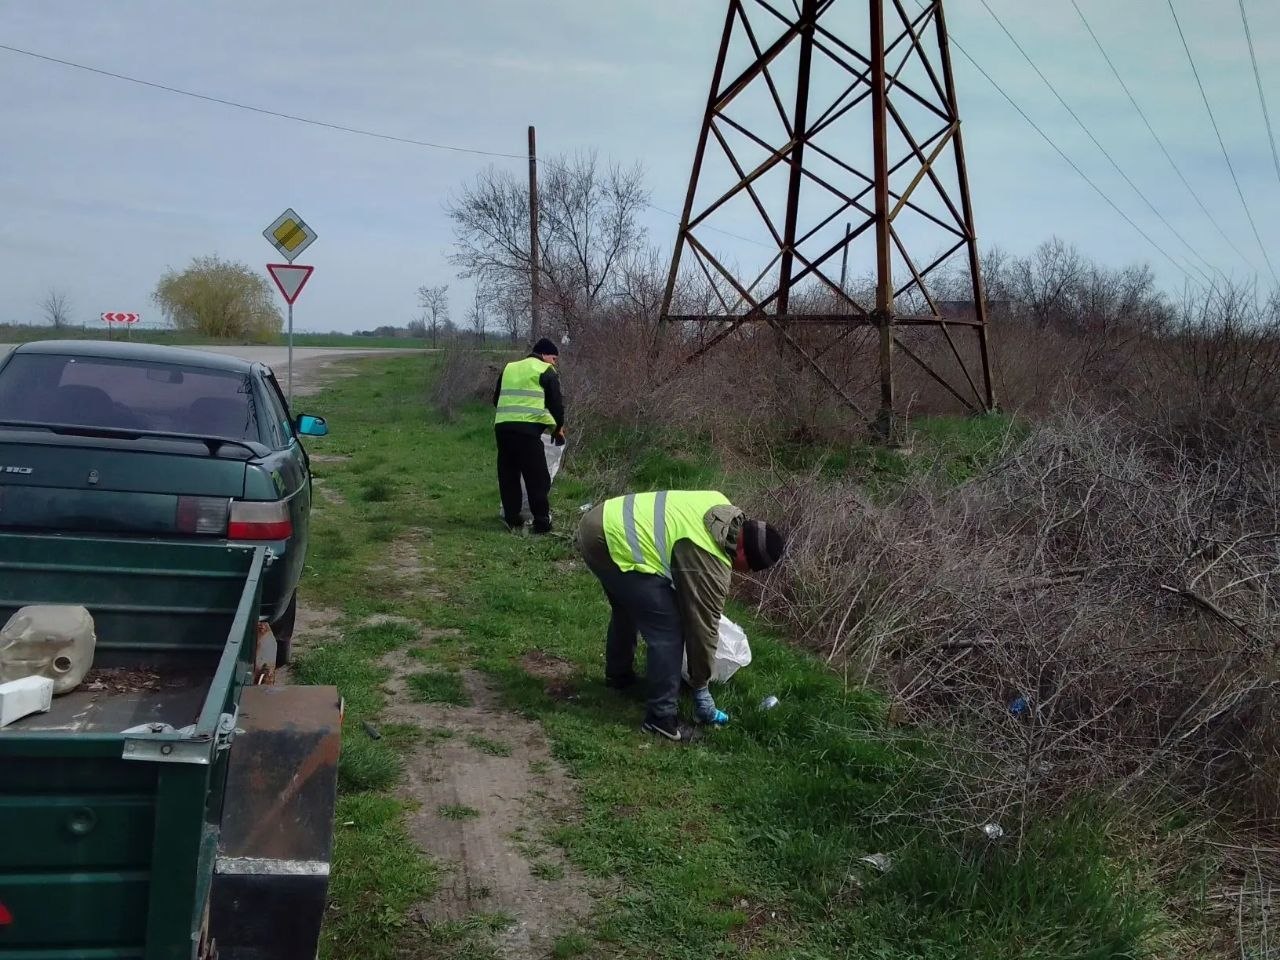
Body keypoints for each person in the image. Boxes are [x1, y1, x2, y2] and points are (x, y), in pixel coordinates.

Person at [577, 490, 786, 741]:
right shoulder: (709, 558)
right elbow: (704, 629)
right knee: (668, 629)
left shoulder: (719, 502)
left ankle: (619, 678)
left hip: (600, 520)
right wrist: (701, 687)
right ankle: (661, 719)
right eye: (749, 567)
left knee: (628, 607)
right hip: (613, 542)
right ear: (742, 552)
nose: (745, 572)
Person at [493, 338, 565, 534]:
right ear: (544, 355)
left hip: (503, 429)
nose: (554, 363)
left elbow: (495, 399)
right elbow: (556, 405)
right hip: (527, 433)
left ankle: (512, 518)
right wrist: (558, 428)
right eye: (553, 358)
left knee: (509, 475)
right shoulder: (545, 370)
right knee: (537, 476)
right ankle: (541, 521)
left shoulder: (509, 367)